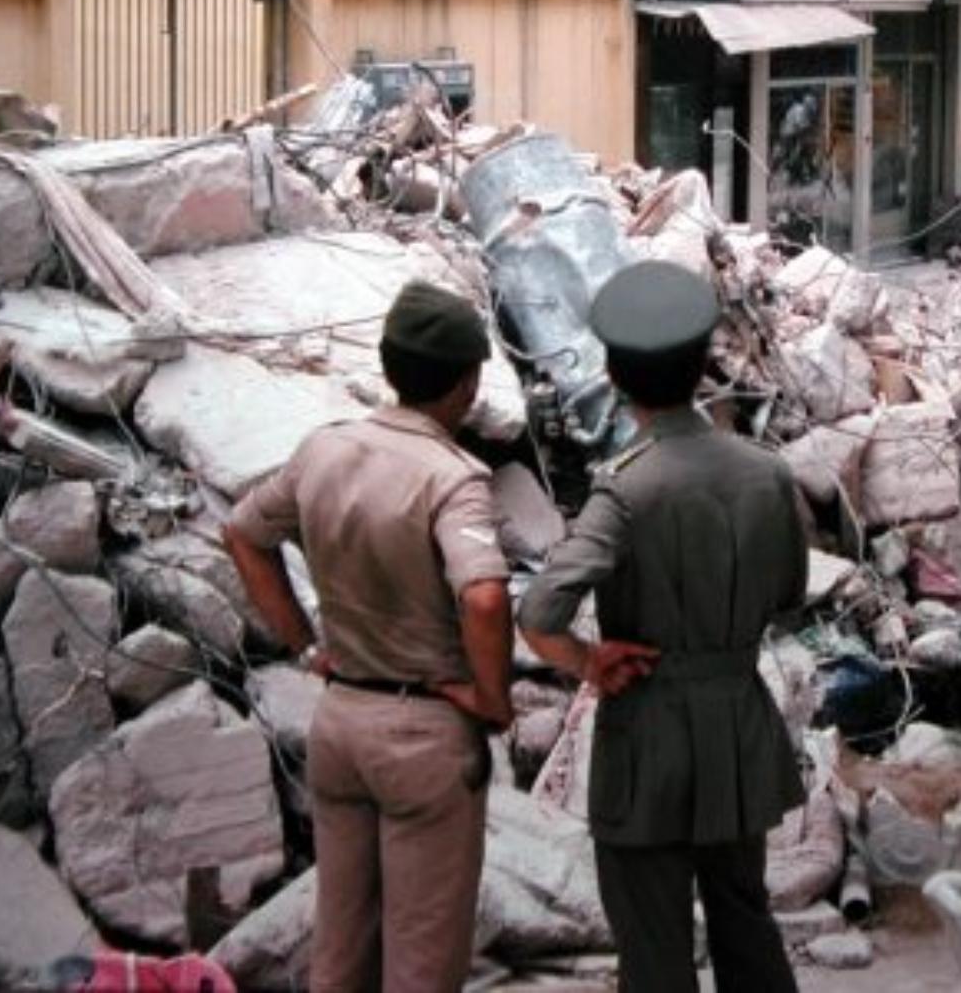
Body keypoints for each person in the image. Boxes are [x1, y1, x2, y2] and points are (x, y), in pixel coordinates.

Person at [519, 261, 808, 993]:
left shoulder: (626, 486)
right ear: (704, 365)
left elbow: (538, 609)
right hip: (741, 728)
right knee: (746, 921)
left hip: (648, 735)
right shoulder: (767, 473)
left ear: (614, 376)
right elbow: (788, 596)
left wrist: (586, 660)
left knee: (654, 948)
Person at [223, 280, 514, 993]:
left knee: (342, 945)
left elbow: (241, 533)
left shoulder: (324, 450)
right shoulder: (452, 479)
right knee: (423, 957)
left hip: (340, 722)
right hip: (423, 737)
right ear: (470, 383)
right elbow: (483, 595)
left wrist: (301, 644)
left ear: (388, 367)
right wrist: (492, 698)